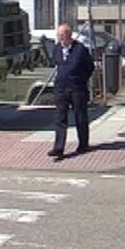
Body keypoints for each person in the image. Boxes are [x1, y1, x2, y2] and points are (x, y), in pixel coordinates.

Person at [48, 22, 95, 160]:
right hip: (61, 89)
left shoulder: (80, 49)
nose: (60, 38)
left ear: (69, 35)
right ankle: (58, 148)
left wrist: (81, 80)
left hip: (77, 89)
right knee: (60, 118)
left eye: (62, 35)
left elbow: (90, 67)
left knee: (80, 117)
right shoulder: (57, 48)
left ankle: (83, 144)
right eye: (58, 35)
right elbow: (56, 63)